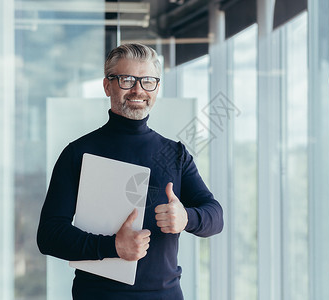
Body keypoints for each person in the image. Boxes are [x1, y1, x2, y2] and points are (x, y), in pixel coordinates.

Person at [37, 43, 224, 299]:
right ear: (107, 86)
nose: (138, 90)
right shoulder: (78, 153)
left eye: (148, 81)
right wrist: (112, 246)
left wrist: (186, 218)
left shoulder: (175, 154)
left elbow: (215, 216)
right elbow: (49, 235)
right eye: (127, 80)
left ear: (157, 88)